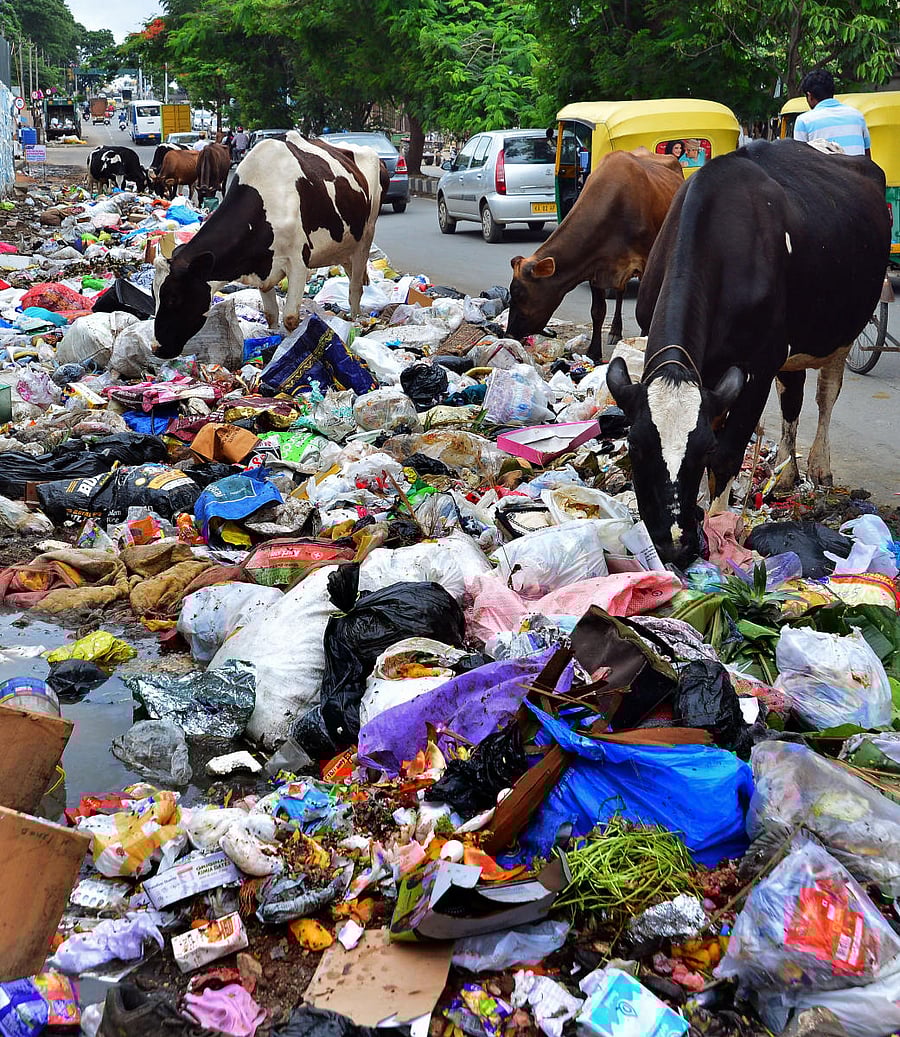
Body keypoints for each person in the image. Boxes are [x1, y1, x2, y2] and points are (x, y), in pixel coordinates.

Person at [793, 68, 871, 157]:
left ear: (810, 96)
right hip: (857, 170)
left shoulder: (804, 121)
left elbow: (800, 160)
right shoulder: (857, 116)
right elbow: (867, 157)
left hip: (824, 171)